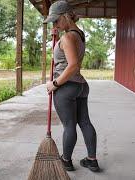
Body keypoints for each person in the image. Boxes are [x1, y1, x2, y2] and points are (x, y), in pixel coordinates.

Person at [44, 0, 100, 172]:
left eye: (56, 20)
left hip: (67, 86)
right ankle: (92, 160)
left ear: (66, 16)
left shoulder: (67, 37)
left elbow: (73, 64)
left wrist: (55, 83)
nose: (54, 24)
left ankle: (66, 160)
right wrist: (57, 38)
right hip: (81, 86)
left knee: (69, 125)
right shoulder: (78, 34)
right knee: (85, 122)